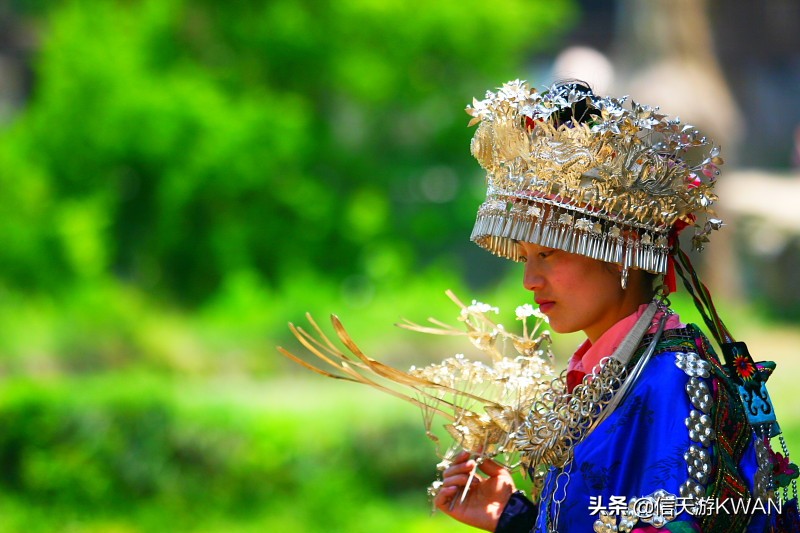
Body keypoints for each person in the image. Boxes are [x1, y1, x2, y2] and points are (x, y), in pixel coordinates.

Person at [432, 80, 799, 532]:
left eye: (549, 252)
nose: (530, 281)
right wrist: (518, 520)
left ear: (619, 246)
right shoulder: (611, 376)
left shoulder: (671, 383)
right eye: (525, 257)